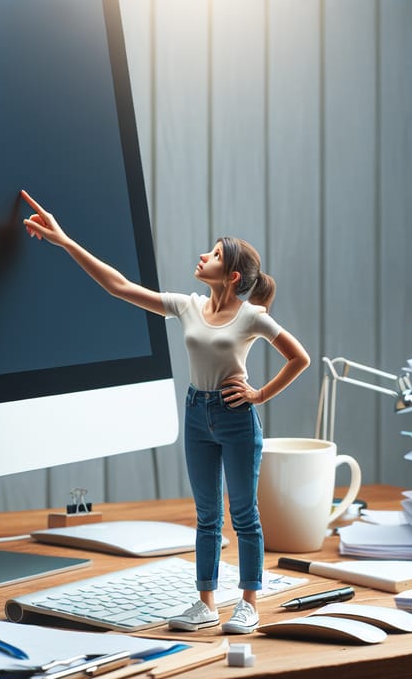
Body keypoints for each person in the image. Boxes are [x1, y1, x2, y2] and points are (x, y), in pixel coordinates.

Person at [20, 190, 310, 634]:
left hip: (234, 419)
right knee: (207, 516)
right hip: (197, 413)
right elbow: (120, 286)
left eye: (213, 254)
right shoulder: (188, 306)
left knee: (245, 515)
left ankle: (249, 603)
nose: (202, 256)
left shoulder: (252, 316)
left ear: (231, 276)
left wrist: (259, 395)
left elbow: (299, 357)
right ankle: (206, 603)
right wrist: (66, 241)